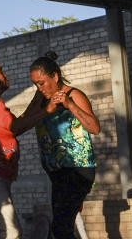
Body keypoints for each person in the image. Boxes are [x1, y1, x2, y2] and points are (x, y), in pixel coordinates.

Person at [0, 60, 51, 239]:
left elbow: (20, 124)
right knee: (11, 231)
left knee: (7, 231)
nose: (5, 75)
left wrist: (39, 98)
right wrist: (48, 111)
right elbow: (16, 126)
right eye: (1, 72)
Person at [29, 52, 100, 239]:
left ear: (55, 76)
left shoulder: (74, 94)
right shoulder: (40, 100)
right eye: (35, 84)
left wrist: (70, 105)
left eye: (42, 83)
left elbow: (94, 127)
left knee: (61, 227)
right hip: (57, 172)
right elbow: (24, 122)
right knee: (61, 228)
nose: (39, 88)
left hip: (78, 170)